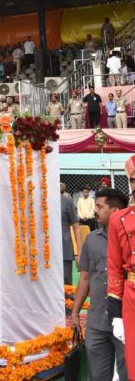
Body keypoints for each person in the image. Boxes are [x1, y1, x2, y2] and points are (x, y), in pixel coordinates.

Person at [72, 186, 129, 381]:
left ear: (115, 211)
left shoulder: (131, 239)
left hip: (126, 322)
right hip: (96, 324)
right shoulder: (92, 240)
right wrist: (75, 313)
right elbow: (86, 278)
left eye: (99, 206)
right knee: (97, 376)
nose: (95, 211)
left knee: (128, 374)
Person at [107, 156, 135, 380]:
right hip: (132, 298)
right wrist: (116, 316)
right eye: (134, 179)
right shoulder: (118, 219)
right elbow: (115, 269)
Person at [61, 187, 82, 286]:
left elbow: (76, 227)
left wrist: (79, 252)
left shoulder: (66, 201)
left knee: (66, 285)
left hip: (64, 250)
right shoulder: (39, 201)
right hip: (43, 253)